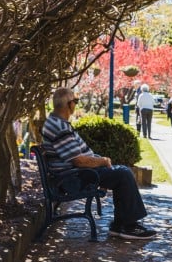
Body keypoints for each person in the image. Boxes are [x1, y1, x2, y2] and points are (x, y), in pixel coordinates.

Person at [41, 87, 156, 239]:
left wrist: (100, 162)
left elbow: (77, 157)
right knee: (123, 174)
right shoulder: (59, 127)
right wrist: (102, 161)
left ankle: (121, 225)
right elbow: (79, 160)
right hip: (73, 178)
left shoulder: (58, 123)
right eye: (75, 101)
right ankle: (127, 226)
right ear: (69, 104)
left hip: (74, 174)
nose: (76, 104)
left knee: (122, 171)